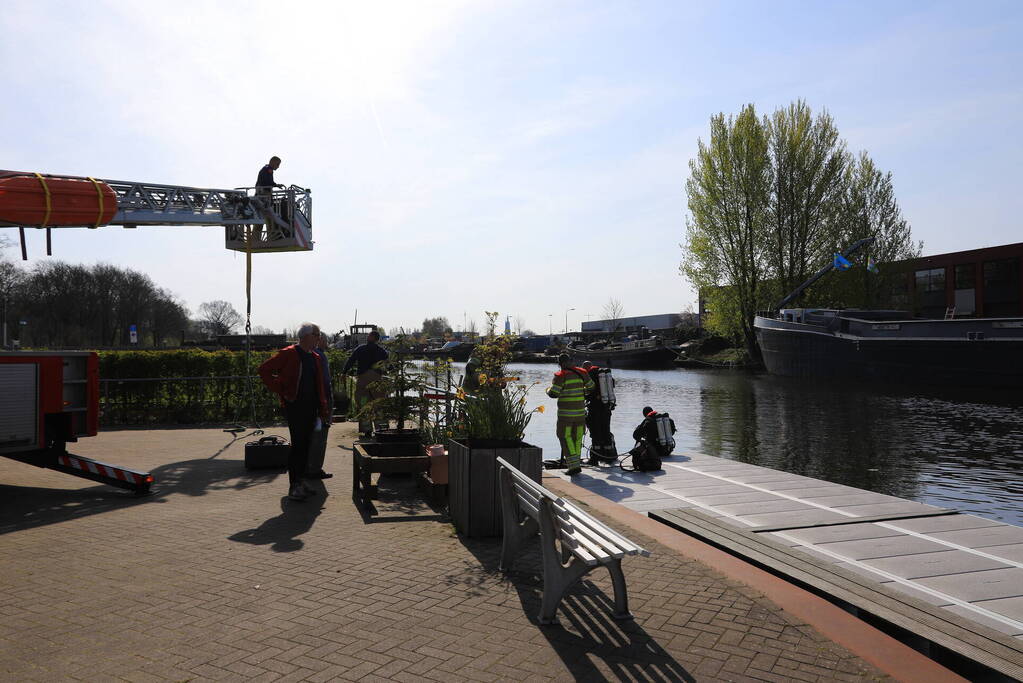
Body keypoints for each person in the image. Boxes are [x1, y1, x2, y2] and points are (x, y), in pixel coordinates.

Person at [258, 323, 330, 501]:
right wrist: (281, 388)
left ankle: (301, 480)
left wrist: (322, 407)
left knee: (306, 445)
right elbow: (264, 370)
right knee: (298, 445)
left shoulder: (315, 357)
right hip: (296, 407)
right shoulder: (290, 353)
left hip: (311, 408)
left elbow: (318, 384)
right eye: (316, 334)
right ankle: (294, 486)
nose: (319, 338)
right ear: (305, 336)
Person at [546, 353, 594, 476]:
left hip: (566, 416)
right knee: (577, 438)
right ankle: (576, 463)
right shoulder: (582, 373)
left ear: (560, 364)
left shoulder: (561, 375)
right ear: (571, 361)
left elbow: (554, 393)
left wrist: (547, 389)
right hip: (580, 414)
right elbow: (591, 387)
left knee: (565, 437)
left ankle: (573, 467)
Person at [342, 329, 389, 436]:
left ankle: (367, 429)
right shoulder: (381, 351)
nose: (367, 337)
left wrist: (344, 372)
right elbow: (388, 364)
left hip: (363, 379)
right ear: (377, 340)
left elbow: (351, 360)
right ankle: (381, 428)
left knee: (363, 403)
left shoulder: (360, 349)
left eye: (369, 335)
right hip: (377, 379)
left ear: (371, 338)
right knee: (379, 403)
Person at [306, 331, 334, 480]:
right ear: (319, 340)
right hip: (322, 402)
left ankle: (308, 466)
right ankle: (315, 469)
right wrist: (327, 402)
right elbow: (324, 381)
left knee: (312, 435)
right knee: (320, 435)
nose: (327, 342)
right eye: (325, 340)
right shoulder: (319, 356)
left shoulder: (309, 353)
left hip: (313, 402)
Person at [581, 360, 616, 465]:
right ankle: (608, 456)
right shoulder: (605, 374)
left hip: (595, 409)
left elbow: (588, 392)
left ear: (585, 368)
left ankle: (595, 459)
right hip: (607, 408)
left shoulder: (590, 375)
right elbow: (612, 385)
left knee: (595, 433)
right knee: (606, 432)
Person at [629, 406, 676, 471]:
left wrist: (640, 429)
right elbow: (672, 432)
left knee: (640, 442)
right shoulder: (667, 420)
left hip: (655, 452)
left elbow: (636, 435)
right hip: (667, 451)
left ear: (644, 414)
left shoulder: (648, 420)